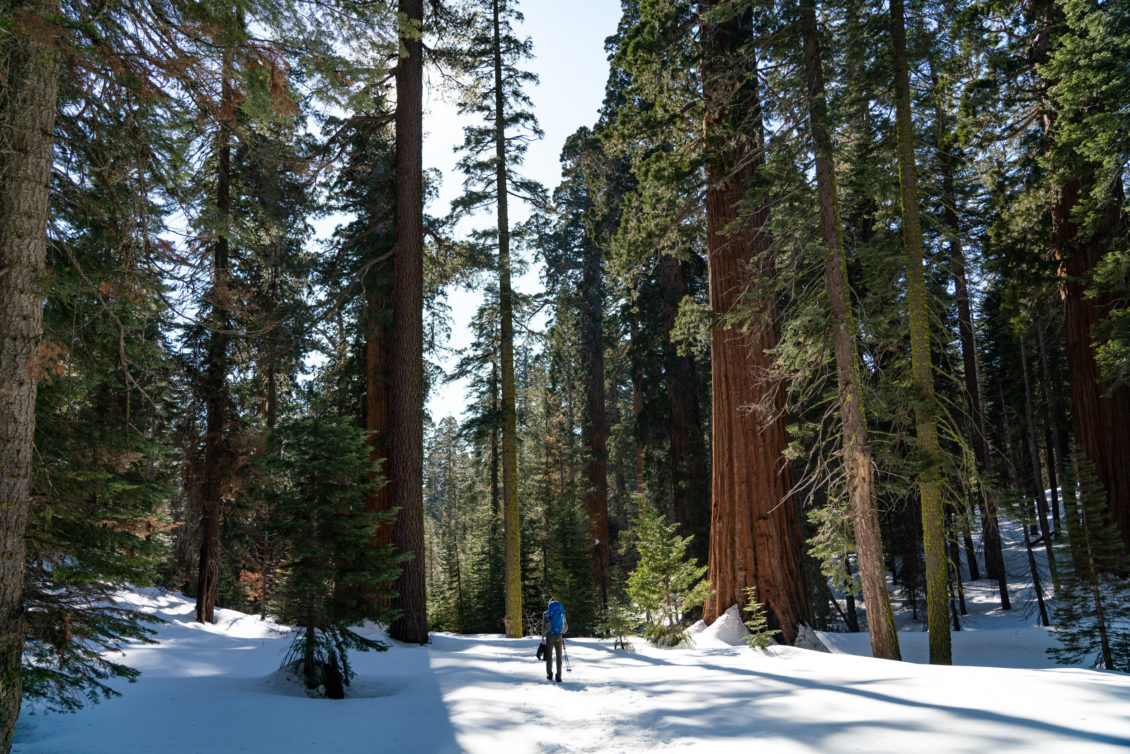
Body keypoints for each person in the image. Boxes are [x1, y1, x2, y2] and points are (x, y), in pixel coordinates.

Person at [541, 597, 568, 682]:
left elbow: (543, 626)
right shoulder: (561, 612)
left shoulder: (546, 613)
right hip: (559, 636)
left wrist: (543, 637)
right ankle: (559, 676)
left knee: (549, 656)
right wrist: (561, 632)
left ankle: (550, 674)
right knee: (559, 657)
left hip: (550, 636)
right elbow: (566, 627)